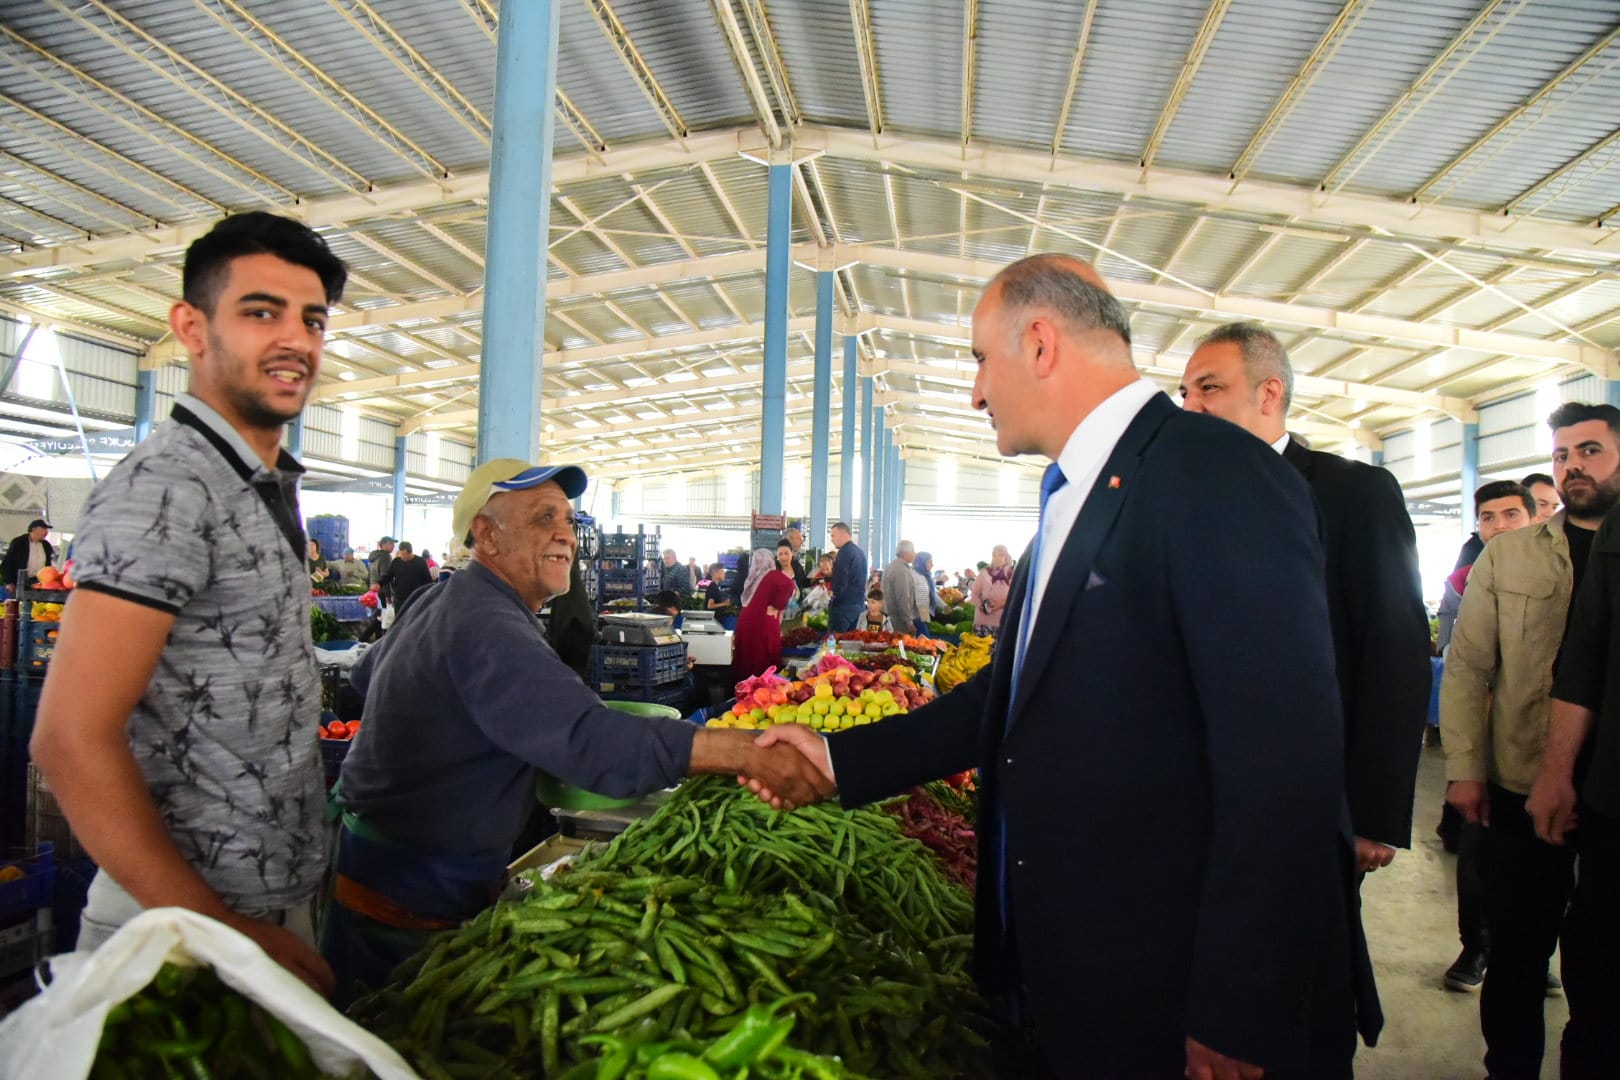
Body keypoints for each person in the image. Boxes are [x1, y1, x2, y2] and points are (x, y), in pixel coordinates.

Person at [749, 254, 1376, 1078]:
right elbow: (1004, 702)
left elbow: (1283, 758)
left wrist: (1236, 1006)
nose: (974, 392)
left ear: (1040, 342)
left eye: (979, 359)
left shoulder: (1215, 473)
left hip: (1172, 988)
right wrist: (838, 758)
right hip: (1087, 971)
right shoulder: (1077, 496)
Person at [322, 461, 833, 1004]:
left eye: (566, 520)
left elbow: (362, 676)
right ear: (486, 535)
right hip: (406, 900)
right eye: (543, 518)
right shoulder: (486, 623)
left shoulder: (443, 600)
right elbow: (592, 744)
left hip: (378, 870)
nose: (566, 534)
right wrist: (744, 751)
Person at [28, 211, 348, 995]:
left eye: (312, 319)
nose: (296, 340)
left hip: (264, 907)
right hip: (178, 932)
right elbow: (70, 740)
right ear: (190, 328)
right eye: (260, 312)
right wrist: (220, 928)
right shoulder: (166, 487)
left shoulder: (256, 481)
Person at [1180, 322, 1431, 880]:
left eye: (1208, 388)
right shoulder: (1181, 501)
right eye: (1185, 394)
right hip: (1194, 792)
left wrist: (1373, 810)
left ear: (1269, 393)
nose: (1190, 406)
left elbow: (1394, 652)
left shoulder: (1352, 495)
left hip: (1310, 797)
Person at [1445, 409, 1620, 1079]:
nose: (1572, 464)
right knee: (1518, 951)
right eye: (1561, 453)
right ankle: (1509, 1069)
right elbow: (1467, 665)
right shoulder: (1511, 553)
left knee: (1601, 961)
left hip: (1610, 793)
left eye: (1590, 450)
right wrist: (1464, 768)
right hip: (1520, 781)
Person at [1529, 453, 1620, 1080]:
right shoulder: (1618, 531)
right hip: (1614, 798)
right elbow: (1585, 659)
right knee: (1602, 979)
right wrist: (1557, 772)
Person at [1434, 480, 1542, 996]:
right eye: (1489, 517)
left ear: (1534, 517)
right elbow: (1460, 657)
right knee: (1478, 851)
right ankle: (1475, 946)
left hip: (1543, 741)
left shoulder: (1559, 574)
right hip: (1483, 734)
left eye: (1511, 515)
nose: (1499, 526)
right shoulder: (1463, 580)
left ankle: (1532, 950)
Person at [730, 548, 795, 685]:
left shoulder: (752, 578)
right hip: (763, 623)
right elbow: (790, 585)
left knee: (746, 657)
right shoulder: (772, 574)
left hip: (746, 622)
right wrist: (778, 605)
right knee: (762, 659)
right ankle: (762, 689)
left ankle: (743, 689)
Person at [825, 522, 867, 633]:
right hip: (859, 605)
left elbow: (841, 579)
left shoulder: (844, 552)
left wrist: (832, 597)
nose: (831, 539)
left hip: (844, 608)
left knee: (837, 642)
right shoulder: (860, 552)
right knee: (852, 642)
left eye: (833, 535)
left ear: (843, 535)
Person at [969, 544, 1014, 636]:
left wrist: (1004, 602)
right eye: (994, 555)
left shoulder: (1013, 575)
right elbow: (974, 594)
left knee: (999, 650)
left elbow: (1016, 596)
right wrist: (981, 606)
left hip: (1003, 623)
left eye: (1000, 555)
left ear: (1006, 557)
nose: (997, 558)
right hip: (982, 623)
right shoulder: (984, 573)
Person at [380, 541, 433, 615]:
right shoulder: (396, 562)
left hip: (416, 598)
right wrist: (379, 583)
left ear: (410, 552)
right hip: (400, 598)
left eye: (404, 555)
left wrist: (429, 596)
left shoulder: (420, 561)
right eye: (401, 555)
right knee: (399, 620)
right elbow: (388, 576)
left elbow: (428, 580)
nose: (402, 557)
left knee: (414, 621)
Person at [1, 517, 56, 589]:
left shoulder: (46, 545)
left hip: (39, 582)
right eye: (44, 529)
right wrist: (8, 581)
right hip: (20, 582)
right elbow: (7, 562)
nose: (46, 532)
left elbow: (49, 564)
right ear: (34, 529)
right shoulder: (18, 542)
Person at [881, 541, 923, 635]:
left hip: (891, 616)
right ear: (906, 553)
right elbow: (903, 596)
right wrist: (909, 622)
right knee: (902, 647)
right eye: (913, 551)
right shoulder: (901, 570)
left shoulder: (892, 565)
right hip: (899, 620)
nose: (914, 554)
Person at [913, 551, 941, 622]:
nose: (932, 564)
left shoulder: (927, 576)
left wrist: (944, 606)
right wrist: (925, 620)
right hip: (918, 617)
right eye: (929, 562)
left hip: (925, 615)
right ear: (922, 563)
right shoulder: (917, 577)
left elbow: (933, 594)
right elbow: (921, 602)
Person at [783, 526, 814, 590]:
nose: (802, 542)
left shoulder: (795, 562)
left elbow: (802, 582)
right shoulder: (781, 563)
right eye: (799, 538)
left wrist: (819, 579)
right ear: (789, 539)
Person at [369, 536, 395, 605]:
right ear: (385, 545)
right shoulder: (385, 556)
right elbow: (385, 577)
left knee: (377, 614)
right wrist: (388, 595)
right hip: (383, 593)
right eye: (391, 543)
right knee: (386, 614)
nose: (393, 546)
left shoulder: (374, 556)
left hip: (374, 591)